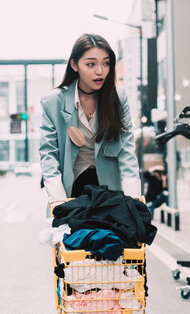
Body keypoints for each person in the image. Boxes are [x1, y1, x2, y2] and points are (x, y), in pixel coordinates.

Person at [39, 33, 141, 209]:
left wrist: (134, 201)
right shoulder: (53, 102)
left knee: (115, 236)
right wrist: (57, 201)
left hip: (110, 190)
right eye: (91, 64)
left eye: (106, 63)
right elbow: (49, 154)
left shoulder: (118, 98)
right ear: (74, 65)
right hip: (71, 190)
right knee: (74, 236)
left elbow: (127, 151)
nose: (100, 71)